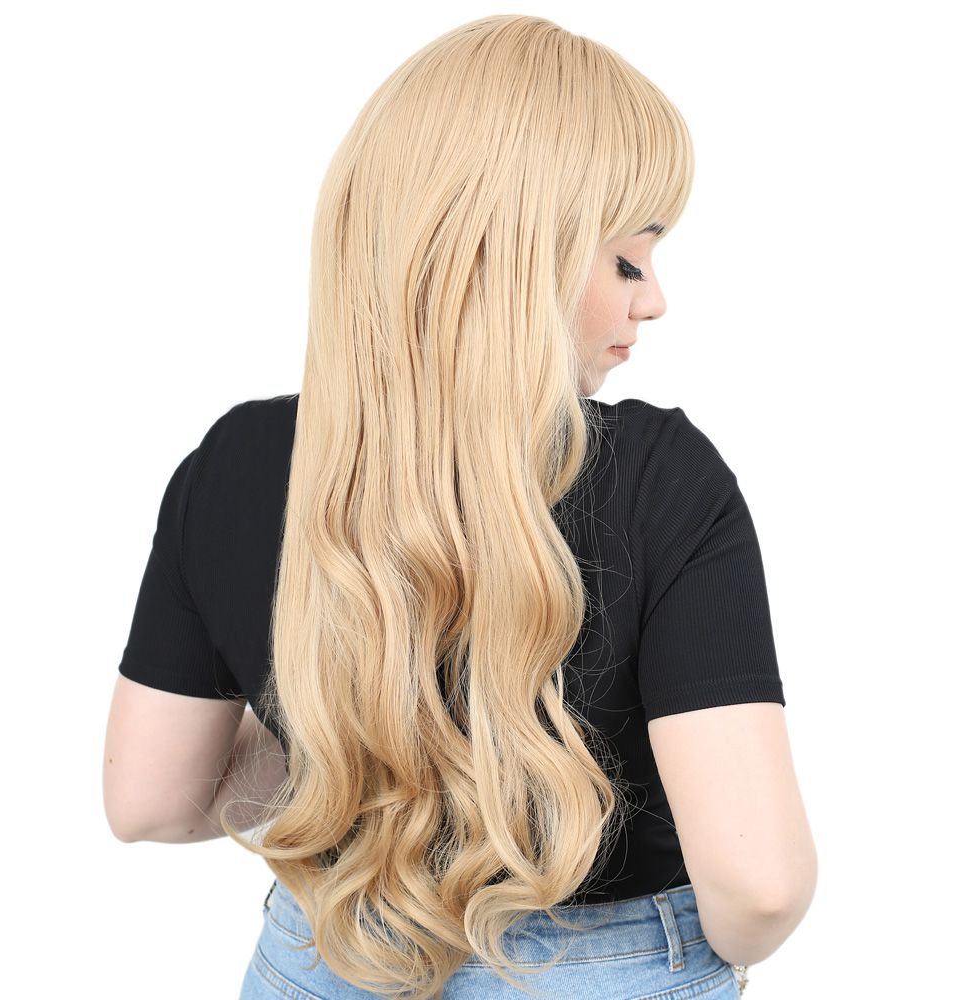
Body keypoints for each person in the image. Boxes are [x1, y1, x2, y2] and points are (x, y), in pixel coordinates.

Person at [103, 14, 817, 999]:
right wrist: (696, 954)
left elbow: (149, 799)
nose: (653, 299)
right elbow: (760, 885)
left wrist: (344, 742)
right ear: (508, 258)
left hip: (321, 955)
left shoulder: (238, 459)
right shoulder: (663, 477)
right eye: (626, 259)